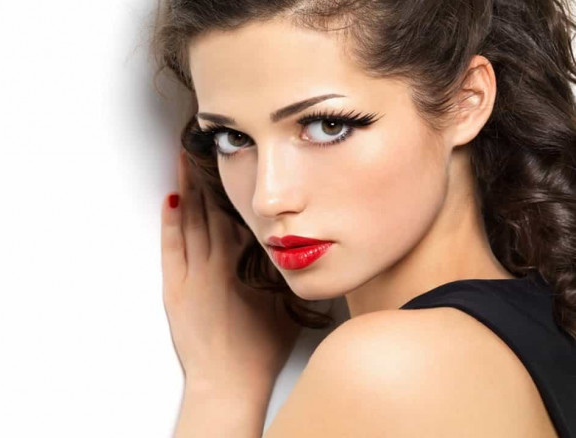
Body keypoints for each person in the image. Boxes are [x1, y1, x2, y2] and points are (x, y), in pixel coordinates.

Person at [151, 0, 576, 436]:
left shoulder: (389, 367)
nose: (268, 198)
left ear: (465, 101)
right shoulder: (546, 328)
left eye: (327, 126)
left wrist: (222, 391)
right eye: (232, 138)